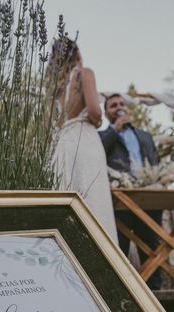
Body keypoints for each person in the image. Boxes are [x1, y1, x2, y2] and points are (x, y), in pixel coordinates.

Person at [49, 38, 118, 242]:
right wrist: (96, 121)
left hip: (62, 145)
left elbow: (49, 125)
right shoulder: (84, 73)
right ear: (77, 53)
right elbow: (96, 110)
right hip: (84, 140)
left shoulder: (55, 90)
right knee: (94, 200)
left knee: (69, 201)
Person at [99, 94, 163, 290]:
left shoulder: (145, 135)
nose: (118, 107)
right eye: (113, 105)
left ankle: (155, 291)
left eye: (121, 104)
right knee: (120, 246)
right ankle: (120, 291)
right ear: (106, 112)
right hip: (120, 198)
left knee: (151, 244)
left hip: (148, 196)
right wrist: (114, 130)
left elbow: (155, 161)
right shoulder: (102, 136)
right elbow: (98, 155)